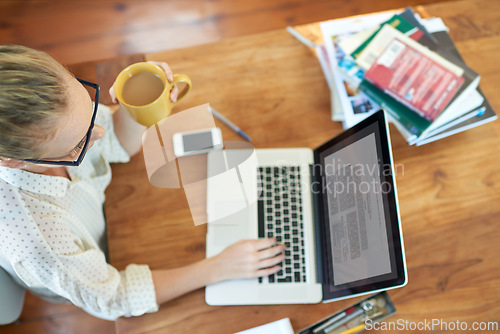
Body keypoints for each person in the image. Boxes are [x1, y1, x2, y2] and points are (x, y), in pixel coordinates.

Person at [0, 45, 285, 320]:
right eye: (78, 145)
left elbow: (113, 139)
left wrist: (141, 106)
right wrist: (218, 268)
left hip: (112, 215)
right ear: (11, 161)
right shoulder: (39, 242)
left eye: (89, 106)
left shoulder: (58, 119)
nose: (99, 131)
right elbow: (113, 298)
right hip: (88, 273)